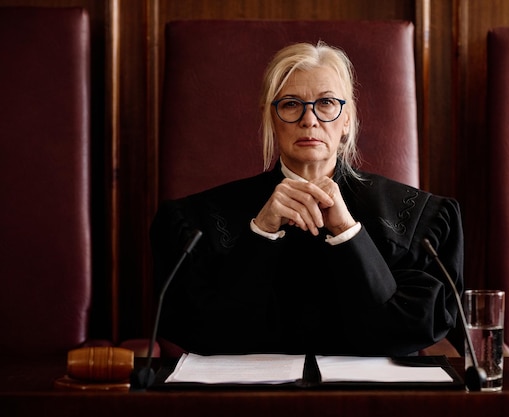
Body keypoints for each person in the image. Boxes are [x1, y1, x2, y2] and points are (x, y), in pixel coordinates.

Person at [150, 41, 463, 357]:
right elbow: (206, 333)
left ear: (347, 121)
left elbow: (408, 332)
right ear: (270, 118)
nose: (309, 119)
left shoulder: (421, 220)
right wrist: (261, 233)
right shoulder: (194, 221)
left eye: (326, 102)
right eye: (290, 104)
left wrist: (349, 234)